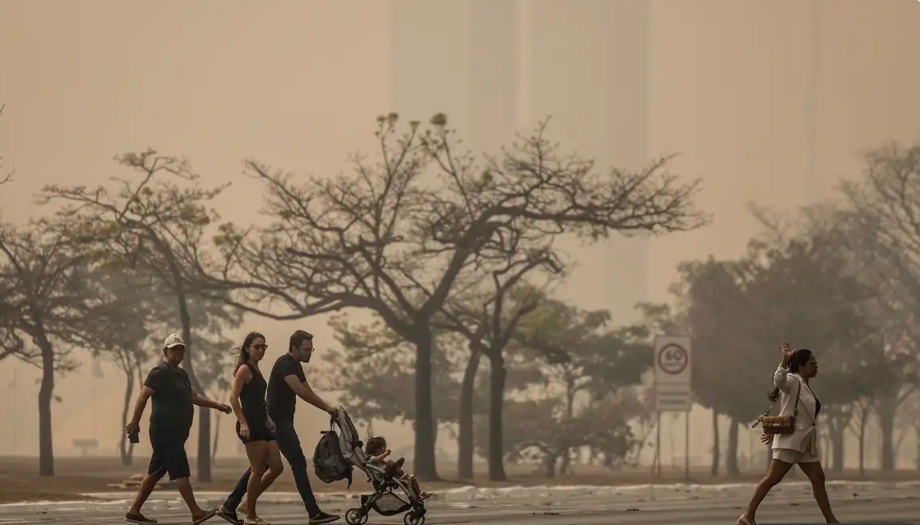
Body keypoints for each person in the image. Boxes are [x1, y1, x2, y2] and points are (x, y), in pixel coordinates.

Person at [217, 330, 340, 525]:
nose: (310, 353)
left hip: (271, 420)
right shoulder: (284, 364)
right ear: (294, 348)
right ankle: (313, 513)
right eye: (306, 349)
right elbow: (299, 391)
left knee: (266, 466)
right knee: (296, 463)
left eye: (311, 349)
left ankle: (233, 505)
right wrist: (326, 408)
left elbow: (307, 388)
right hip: (276, 421)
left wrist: (329, 408)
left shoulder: (294, 366)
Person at [124, 333, 232, 525]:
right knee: (181, 472)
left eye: (181, 349)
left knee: (155, 473)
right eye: (174, 349)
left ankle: (134, 511)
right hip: (164, 431)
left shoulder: (181, 374)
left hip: (177, 432)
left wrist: (217, 405)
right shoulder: (158, 373)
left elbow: (193, 397)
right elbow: (143, 397)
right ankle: (196, 512)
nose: (178, 353)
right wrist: (134, 422)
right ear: (165, 351)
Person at [737, 341, 839, 525]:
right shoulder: (792, 381)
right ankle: (747, 515)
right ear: (801, 366)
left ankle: (831, 520)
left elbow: (796, 413)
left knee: (818, 478)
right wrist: (784, 361)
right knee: (772, 478)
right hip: (792, 441)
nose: (816, 366)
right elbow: (779, 380)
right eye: (812, 363)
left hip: (805, 441)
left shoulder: (805, 386)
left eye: (816, 363)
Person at [228, 332, 284, 525]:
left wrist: (268, 418)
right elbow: (233, 398)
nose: (261, 350)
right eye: (257, 347)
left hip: (262, 422)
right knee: (257, 469)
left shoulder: (257, 369)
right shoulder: (244, 369)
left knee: (276, 466)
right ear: (247, 348)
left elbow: (259, 400)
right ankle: (250, 515)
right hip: (250, 423)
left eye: (263, 347)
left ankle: (247, 503)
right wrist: (243, 423)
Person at [364, 436, 431, 502]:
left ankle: (418, 494)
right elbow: (375, 460)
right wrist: (385, 454)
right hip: (382, 476)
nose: (385, 450)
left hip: (386, 474)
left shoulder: (379, 460)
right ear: (378, 450)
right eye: (384, 448)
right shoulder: (370, 458)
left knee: (412, 478)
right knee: (390, 462)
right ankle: (402, 474)